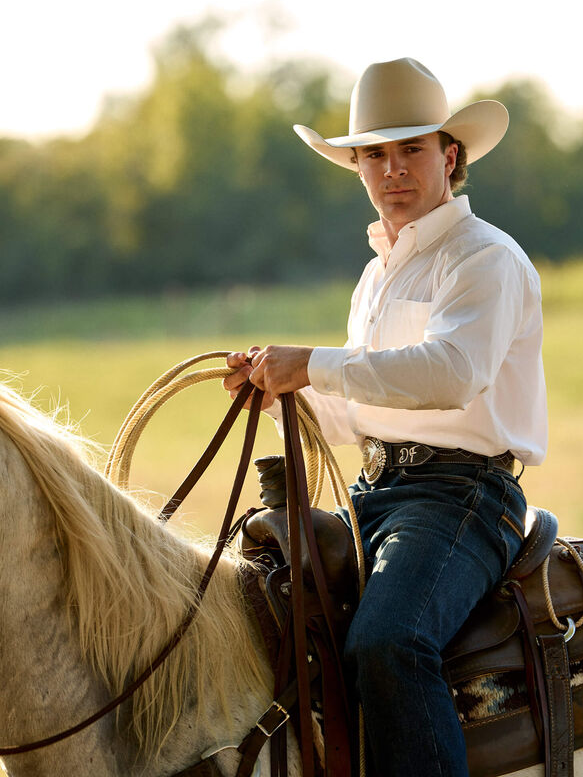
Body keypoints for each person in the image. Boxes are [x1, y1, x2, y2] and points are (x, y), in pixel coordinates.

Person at [224, 57, 547, 777]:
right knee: (260, 617)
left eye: (411, 150)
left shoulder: (485, 258)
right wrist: (281, 393)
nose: (392, 169)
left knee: (389, 643)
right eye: (375, 153)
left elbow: (453, 374)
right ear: (358, 167)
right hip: (375, 494)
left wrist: (310, 363)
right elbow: (361, 413)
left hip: (464, 498)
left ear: (450, 156)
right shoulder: (379, 274)